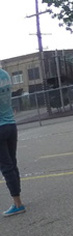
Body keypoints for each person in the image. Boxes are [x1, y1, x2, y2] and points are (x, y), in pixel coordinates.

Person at [0, 65, 23, 217]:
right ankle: (18, 199)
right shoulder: (5, 75)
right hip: (10, 124)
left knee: (6, 166)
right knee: (12, 164)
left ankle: (18, 203)